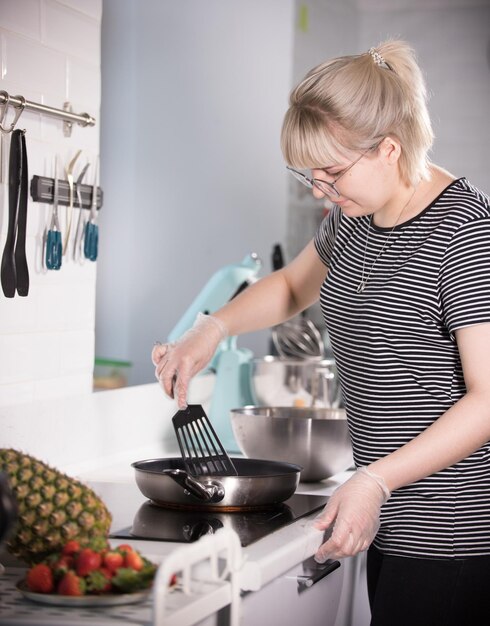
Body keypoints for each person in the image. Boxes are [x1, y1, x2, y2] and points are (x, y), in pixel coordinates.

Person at [152, 40, 490, 625]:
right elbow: (290, 287)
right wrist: (210, 329)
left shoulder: (467, 234)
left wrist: (376, 481)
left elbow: (488, 401)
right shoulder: (351, 216)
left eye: (331, 173)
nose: (318, 190)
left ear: (390, 149)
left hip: (455, 533)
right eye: (308, 173)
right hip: (388, 512)